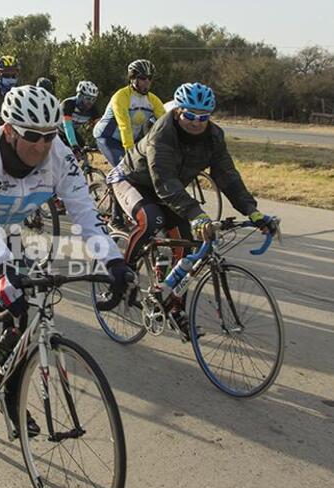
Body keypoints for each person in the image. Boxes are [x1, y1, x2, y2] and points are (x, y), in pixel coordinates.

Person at [0, 84, 132, 374]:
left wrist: (113, 260)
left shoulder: (59, 156)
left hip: (4, 222)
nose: (42, 145)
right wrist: (1, 269)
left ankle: (13, 399)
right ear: (9, 131)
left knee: (24, 297)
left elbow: (86, 213)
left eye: (49, 136)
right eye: (32, 136)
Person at [105, 82, 277, 335]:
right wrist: (197, 214)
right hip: (132, 180)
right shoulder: (162, 132)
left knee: (187, 246)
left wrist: (252, 212)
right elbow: (164, 181)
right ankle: (122, 276)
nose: (196, 122)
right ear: (178, 111)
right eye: (190, 115)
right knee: (150, 220)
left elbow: (227, 176)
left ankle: (175, 307)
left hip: (167, 189)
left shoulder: (214, 136)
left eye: (203, 117)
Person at [93, 59, 166, 168]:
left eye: (150, 78)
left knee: (145, 169)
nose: (147, 82)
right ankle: (113, 184)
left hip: (131, 139)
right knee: (125, 170)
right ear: (132, 78)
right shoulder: (121, 97)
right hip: (108, 137)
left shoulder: (153, 100)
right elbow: (124, 126)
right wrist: (130, 151)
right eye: (142, 78)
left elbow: (166, 123)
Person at [59, 80, 101, 155]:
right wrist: (74, 145)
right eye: (88, 99)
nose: (90, 103)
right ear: (80, 96)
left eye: (93, 99)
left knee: (82, 148)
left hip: (72, 130)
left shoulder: (93, 109)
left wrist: (101, 143)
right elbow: (68, 126)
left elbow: (100, 127)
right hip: (56, 130)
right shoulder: (68, 104)